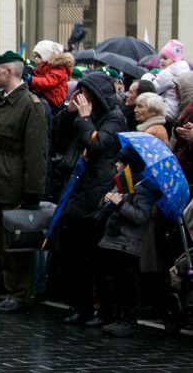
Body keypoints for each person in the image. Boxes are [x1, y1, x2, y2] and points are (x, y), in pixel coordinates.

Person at [52, 71, 124, 326]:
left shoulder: (114, 118)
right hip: (75, 189)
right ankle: (81, 307)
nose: (82, 99)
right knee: (74, 256)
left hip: (96, 190)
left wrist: (83, 119)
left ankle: (104, 312)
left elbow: (97, 145)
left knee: (96, 258)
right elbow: (59, 139)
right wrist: (69, 113)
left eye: (86, 94)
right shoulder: (83, 115)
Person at [0, 52, 48, 313]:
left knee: (17, 243)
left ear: (9, 72)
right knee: (1, 243)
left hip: (14, 181)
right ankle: (11, 290)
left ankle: (21, 294)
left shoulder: (30, 104)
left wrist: (33, 190)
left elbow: (36, 152)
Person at [96, 144, 160, 337]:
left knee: (128, 282)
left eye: (120, 162)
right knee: (116, 281)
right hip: (114, 240)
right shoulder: (122, 183)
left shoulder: (143, 189)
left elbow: (140, 216)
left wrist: (121, 203)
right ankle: (118, 317)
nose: (116, 165)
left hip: (128, 244)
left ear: (129, 165)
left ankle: (129, 320)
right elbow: (104, 204)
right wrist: (107, 199)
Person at [29, 40, 72, 111]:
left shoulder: (59, 69)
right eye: (35, 56)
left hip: (53, 101)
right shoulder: (41, 68)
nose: (36, 59)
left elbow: (49, 81)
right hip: (45, 95)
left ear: (47, 56)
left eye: (39, 56)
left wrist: (31, 79)